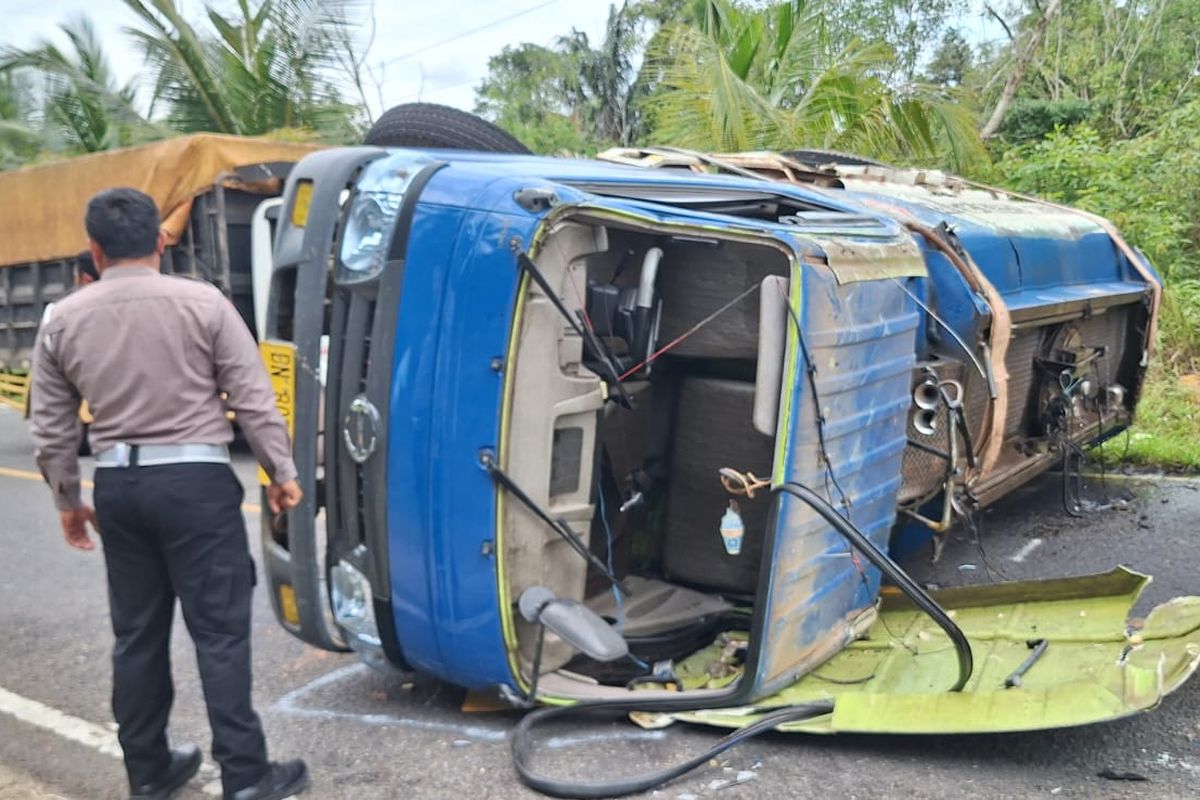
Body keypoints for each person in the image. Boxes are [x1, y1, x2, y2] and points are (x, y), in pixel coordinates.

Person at [29, 188, 309, 800]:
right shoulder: (203, 303)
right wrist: (281, 473)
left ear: (96, 250)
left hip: (120, 487)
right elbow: (253, 396)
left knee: (137, 634)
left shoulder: (63, 318)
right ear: (162, 241)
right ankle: (245, 774)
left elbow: (50, 428)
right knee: (220, 634)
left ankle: (148, 772)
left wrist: (68, 501)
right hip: (196, 485)